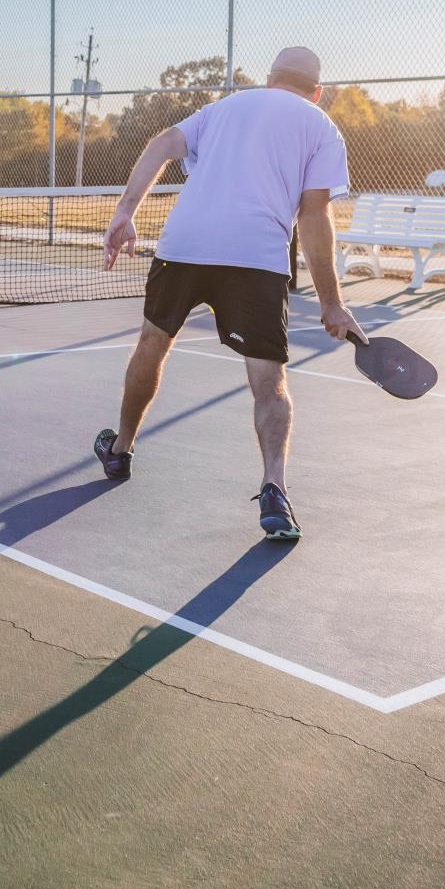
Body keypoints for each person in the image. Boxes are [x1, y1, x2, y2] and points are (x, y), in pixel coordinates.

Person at [96, 46, 365, 542]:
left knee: (151, 347)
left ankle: (121, 449)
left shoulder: (223, 108)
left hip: (185, 245)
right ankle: (275, 491)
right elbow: (313, 218)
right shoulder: (321, 127)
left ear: (269, 79)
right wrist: (331, 301)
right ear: (317, 90)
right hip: (256, 258)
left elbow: (160, 145)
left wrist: (125, 211)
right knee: (269, 381)